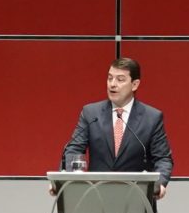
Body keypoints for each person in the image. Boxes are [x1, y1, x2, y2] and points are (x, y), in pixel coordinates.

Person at [60, 57, 172, 195]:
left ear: (135, 84)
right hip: (96, 195)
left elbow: (162, 159)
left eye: (120, 79)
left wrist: (159, 184)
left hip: (136, 197)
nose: (112, 84)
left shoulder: (152, 117)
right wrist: (66, 180)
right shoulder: (91, 113)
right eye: (110, 78)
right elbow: (74, 149)